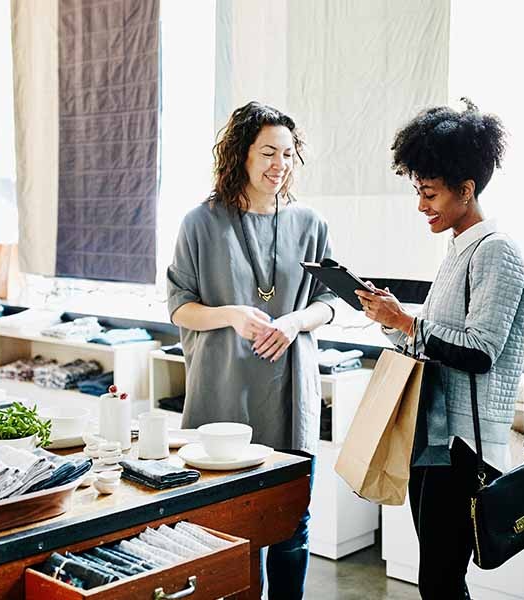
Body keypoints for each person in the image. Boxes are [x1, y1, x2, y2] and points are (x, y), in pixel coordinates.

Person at [356, 99, 524, 600]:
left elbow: (480, 352)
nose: (421, 205)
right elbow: (433, 339)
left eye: (429, 193)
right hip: (435, 435)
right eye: (418, 191)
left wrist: (406, 320)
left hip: (464, 442)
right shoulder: (458, 248)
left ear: (466, 189)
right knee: (437, 574)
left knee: (440, 577)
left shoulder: (496, 249)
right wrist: (390, 320)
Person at [167, 101, 336, 599]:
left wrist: (293, 321)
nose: (278, 164)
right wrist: (231, 315)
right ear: (240, 154)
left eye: (287, 153)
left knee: (290, 519)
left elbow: (330, 303)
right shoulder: (201, 223)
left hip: (288, 390)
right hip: (223, 389)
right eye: (267, 152)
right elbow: (179, 307)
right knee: (225, 523)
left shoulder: (310, 223)